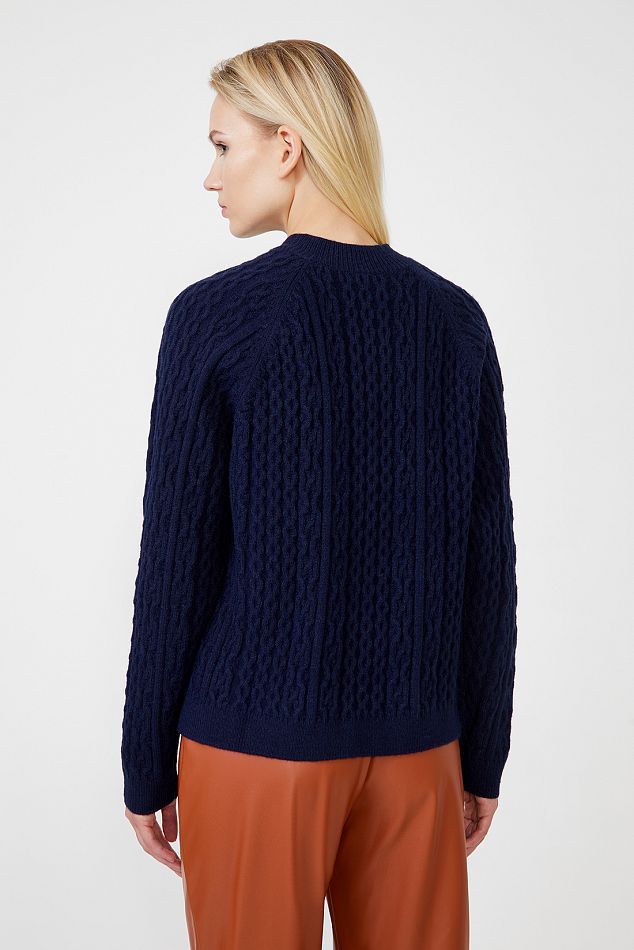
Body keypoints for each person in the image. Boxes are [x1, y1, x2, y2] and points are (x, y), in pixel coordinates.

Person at [121, 38, 518, 950]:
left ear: (288, 147)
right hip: (420, 751)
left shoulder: (217, 317)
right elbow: (486, 564)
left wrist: (146, 762)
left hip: (256, 746)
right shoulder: (455, 321)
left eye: (223, 146)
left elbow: (177, 561)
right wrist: (481, 754)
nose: (211, 176)